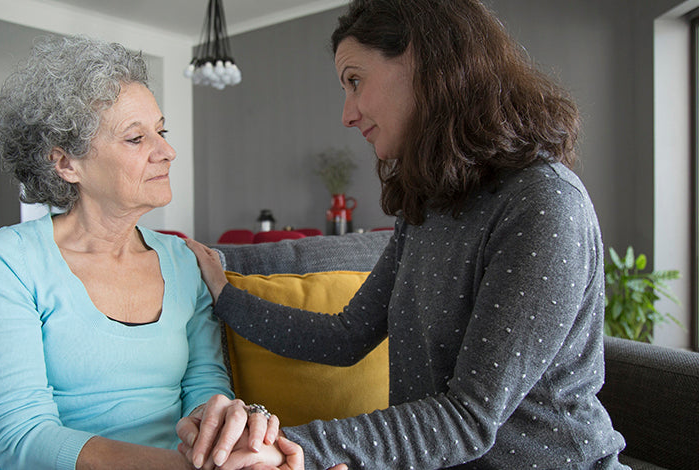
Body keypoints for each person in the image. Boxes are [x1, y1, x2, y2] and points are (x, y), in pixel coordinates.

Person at [179, 0, 630, 468]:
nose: (347, 114)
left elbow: (468, 417)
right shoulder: (430, 206)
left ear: (426, 63)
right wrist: (223, 291)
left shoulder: (543, 204)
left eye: (355, 81)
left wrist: (289, 450)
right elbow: (345, 336)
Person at [0, 35, 278, 470]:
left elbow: (205, 385)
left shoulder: (182, 260)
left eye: (162, 130)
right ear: (65, 164)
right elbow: (20, 434)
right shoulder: (9, 260)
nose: (167, 152)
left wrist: (224, 435)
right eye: (136, 139)